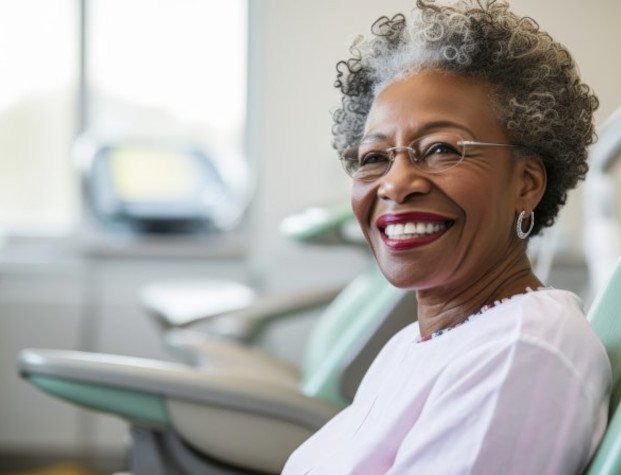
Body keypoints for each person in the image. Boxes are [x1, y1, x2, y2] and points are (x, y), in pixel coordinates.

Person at [283, 1, 611, 473]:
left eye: (440, 149)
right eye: (374, 157)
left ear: (527, 183)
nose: (394, 184)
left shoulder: (520, 352)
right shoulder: (410, 346)